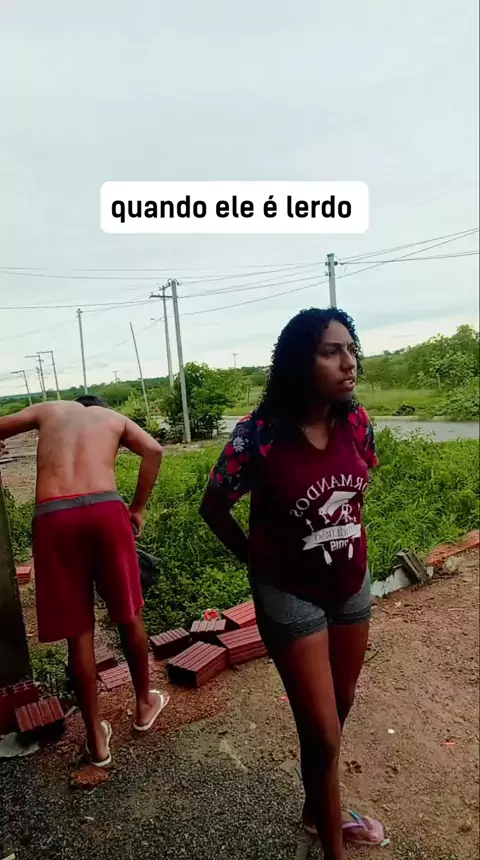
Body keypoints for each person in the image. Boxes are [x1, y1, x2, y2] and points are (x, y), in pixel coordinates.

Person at [200, 308, 384, 858]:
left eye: (350, 349)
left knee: (338, 708)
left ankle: (315, 807)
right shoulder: (258, 435)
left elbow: (359, 481)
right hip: (289, 592)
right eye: (331, 352)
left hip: (350, 583)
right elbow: (214, 506)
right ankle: (331, 846)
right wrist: (255, 560)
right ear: (300, 362)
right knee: (322, 733)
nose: (348, 362)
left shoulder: (356, 421)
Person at [0, 395, 169, 766]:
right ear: (99, 407)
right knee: (129, 614)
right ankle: (143, 705)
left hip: (54, 516)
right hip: (106, 510)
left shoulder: (49, 410)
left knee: (78, 634)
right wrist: (137, 509)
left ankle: (96, 740)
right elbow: (154, 450)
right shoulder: (112, 418)